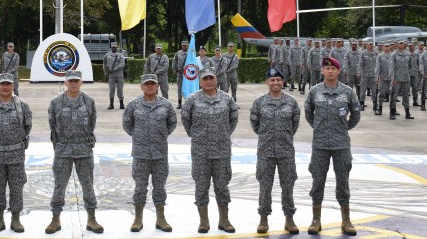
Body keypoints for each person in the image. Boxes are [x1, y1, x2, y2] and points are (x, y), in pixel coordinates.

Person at [304, 57, 360, 235]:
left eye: (333, 69)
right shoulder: (314, 91)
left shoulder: (348, 92)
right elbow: (308, 113)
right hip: (320, 145)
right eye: (326, 69)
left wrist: (343, 129)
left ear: (338, 71)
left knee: (343, 183)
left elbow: (356, 115)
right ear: (322, 71)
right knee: (317, 182)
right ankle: (316, 219)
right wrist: (319, 128)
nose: (329, 71)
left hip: (341, 145)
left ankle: (346, 220)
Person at [181, 66, 239, 234]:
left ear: (216, 80)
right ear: (200, 81)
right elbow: (186, 119)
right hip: (200, 151)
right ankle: (204, 221)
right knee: (201, 185)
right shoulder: (192, 99)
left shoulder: (227, 99)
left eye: (211, 78)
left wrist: (224, 134)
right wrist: (196, 135)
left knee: (222, 185)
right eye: (205, 78)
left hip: (221, 151)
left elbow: (233, 119)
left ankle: (224, 220)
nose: (208, 81)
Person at [46, 70, 103, 234]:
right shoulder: (56, 102)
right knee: (59, 186)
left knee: (88, 186)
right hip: (63, 150)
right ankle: (55, 219)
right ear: (65, 82)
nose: (73, 83)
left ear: (81, 82)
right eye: (70, 80)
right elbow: (53, 126)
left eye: (76, 81)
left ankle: (92, 219)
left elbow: (92, 123)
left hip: (84, 150)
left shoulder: (88, 101)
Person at [122, 73, 177, 232]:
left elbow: (172, 124)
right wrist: (139, 137)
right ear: (141, 86)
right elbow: (127, 124)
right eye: (147, 84)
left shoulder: (166, 105)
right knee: (140, 187)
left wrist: (159, 136)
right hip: (140, 154)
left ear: (158, 86)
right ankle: (138, 219)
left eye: (153, 83)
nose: (150, 86)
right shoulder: (134, 105)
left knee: (160, 187)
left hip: (160, 154)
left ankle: (161, 219)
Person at [250, 68, 300, 234]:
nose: (276, 83)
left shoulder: (291, 102)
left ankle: (289, 218)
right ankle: (263, 219)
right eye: (272, 80)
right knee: (265, 186)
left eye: (278, 80)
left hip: (286, 151)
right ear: (267, 82)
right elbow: (255, 125)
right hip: (266, 151)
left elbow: (294, 124)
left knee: (288, 186)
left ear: (283, 82)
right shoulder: (259, 102)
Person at [0, 72, 32, 234]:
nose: (5, 87)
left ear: (13, 86)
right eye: (2, 84)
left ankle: (16, 219)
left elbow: (27, 126)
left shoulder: (22, 105)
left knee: (17, 187)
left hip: (16, 155)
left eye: (8, 84)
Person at [390, 40, 414, 120]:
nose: (401, 45)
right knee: (394, 95)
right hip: (396, 79)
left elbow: (410, 66)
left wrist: (407, 73)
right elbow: (391, 67)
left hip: (406, 78)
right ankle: (392, 112)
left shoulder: (408, 54)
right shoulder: (394, 55)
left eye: (402, 44)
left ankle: (407, 113)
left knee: (406, 95)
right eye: (400, 43)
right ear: (397, 45)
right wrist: (392, 78)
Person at [103, 41, 126, 110]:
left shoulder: (120, 55)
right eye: (113, 47)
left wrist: (114, 69)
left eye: (115, 47)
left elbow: (122, 64)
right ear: (111, 47)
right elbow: (104, 65)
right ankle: (111, 104)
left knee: (120, 89)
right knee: (111, 89)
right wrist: (106, 73)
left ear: (117, 47)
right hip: (111, 76)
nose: (114, 48)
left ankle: (121, 104)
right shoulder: (107, 55)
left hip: (119, 75)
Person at [358, 40, 378, 111]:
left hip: (373, 75)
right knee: (362, 91)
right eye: (369, 44)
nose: (370, 45)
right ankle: (362, 104)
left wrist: (377, 75)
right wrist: (361, 73)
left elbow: (378, 65)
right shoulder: (363, 53)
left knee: (374, 91)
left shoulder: (376, 53)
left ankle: (375, 104)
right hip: (365, 75)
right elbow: (360, 64)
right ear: (367, 45)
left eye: (371, 44)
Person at [375, 42, 392, 116]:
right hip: (383, 77)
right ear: (384, 47)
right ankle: (380, 109)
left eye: (388, 46)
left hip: (392, 78)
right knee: (381, 94)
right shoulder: (380, 56)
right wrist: (377, 76)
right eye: (386, 46)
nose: (387, 47)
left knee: (393, 94)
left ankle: (393, 109)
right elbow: (377, 67)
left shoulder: (393, 55)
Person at [171, 41, 189, 109]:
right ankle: (179, 103)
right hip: (180, 73)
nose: (184, 46)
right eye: (183, 45)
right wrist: (174, 70)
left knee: (188, 89)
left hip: (188, 74)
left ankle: (188, 103)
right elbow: (174, 62)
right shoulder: (178, 53)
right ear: (181, 46)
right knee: (180, 89)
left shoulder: (191, 53)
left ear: (187, 46)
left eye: (185, 45)